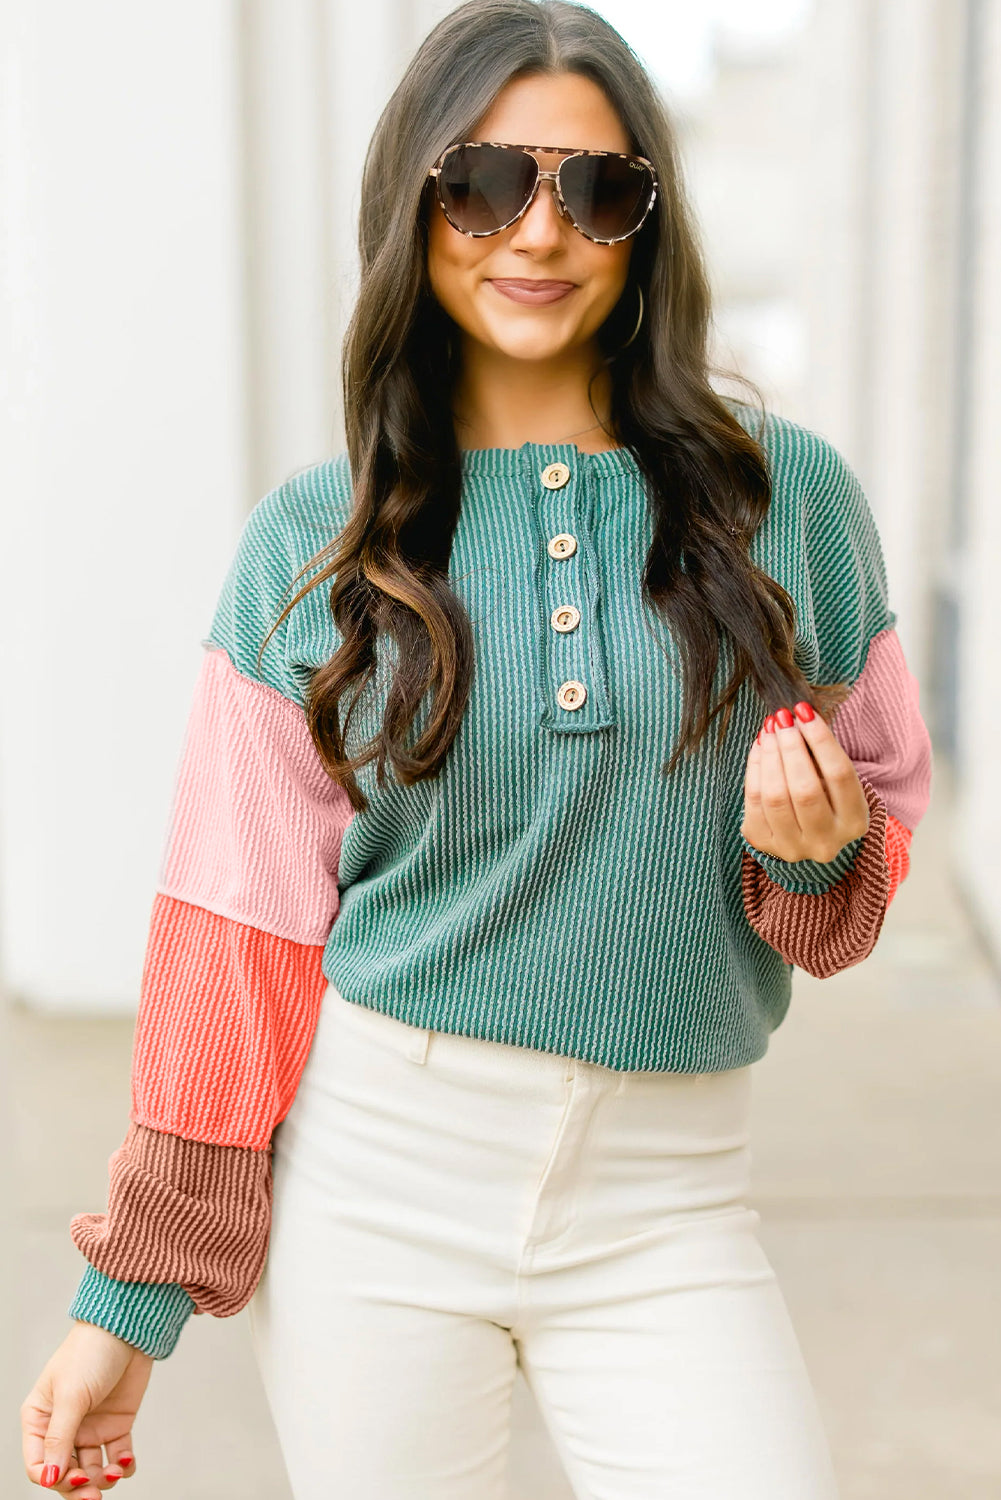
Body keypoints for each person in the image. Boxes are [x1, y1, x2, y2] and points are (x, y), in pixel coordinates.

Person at [21, 1, 933, 1496]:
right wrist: (132, 1298)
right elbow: (233, 937)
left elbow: (860, 860)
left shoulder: (790, 506)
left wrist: (816, 855)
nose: (540, 230)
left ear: (646, 223)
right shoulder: (309, 550)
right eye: (486, 184)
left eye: (595, 189)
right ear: (414, 204)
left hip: (668, 1199)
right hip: (377, 1186)